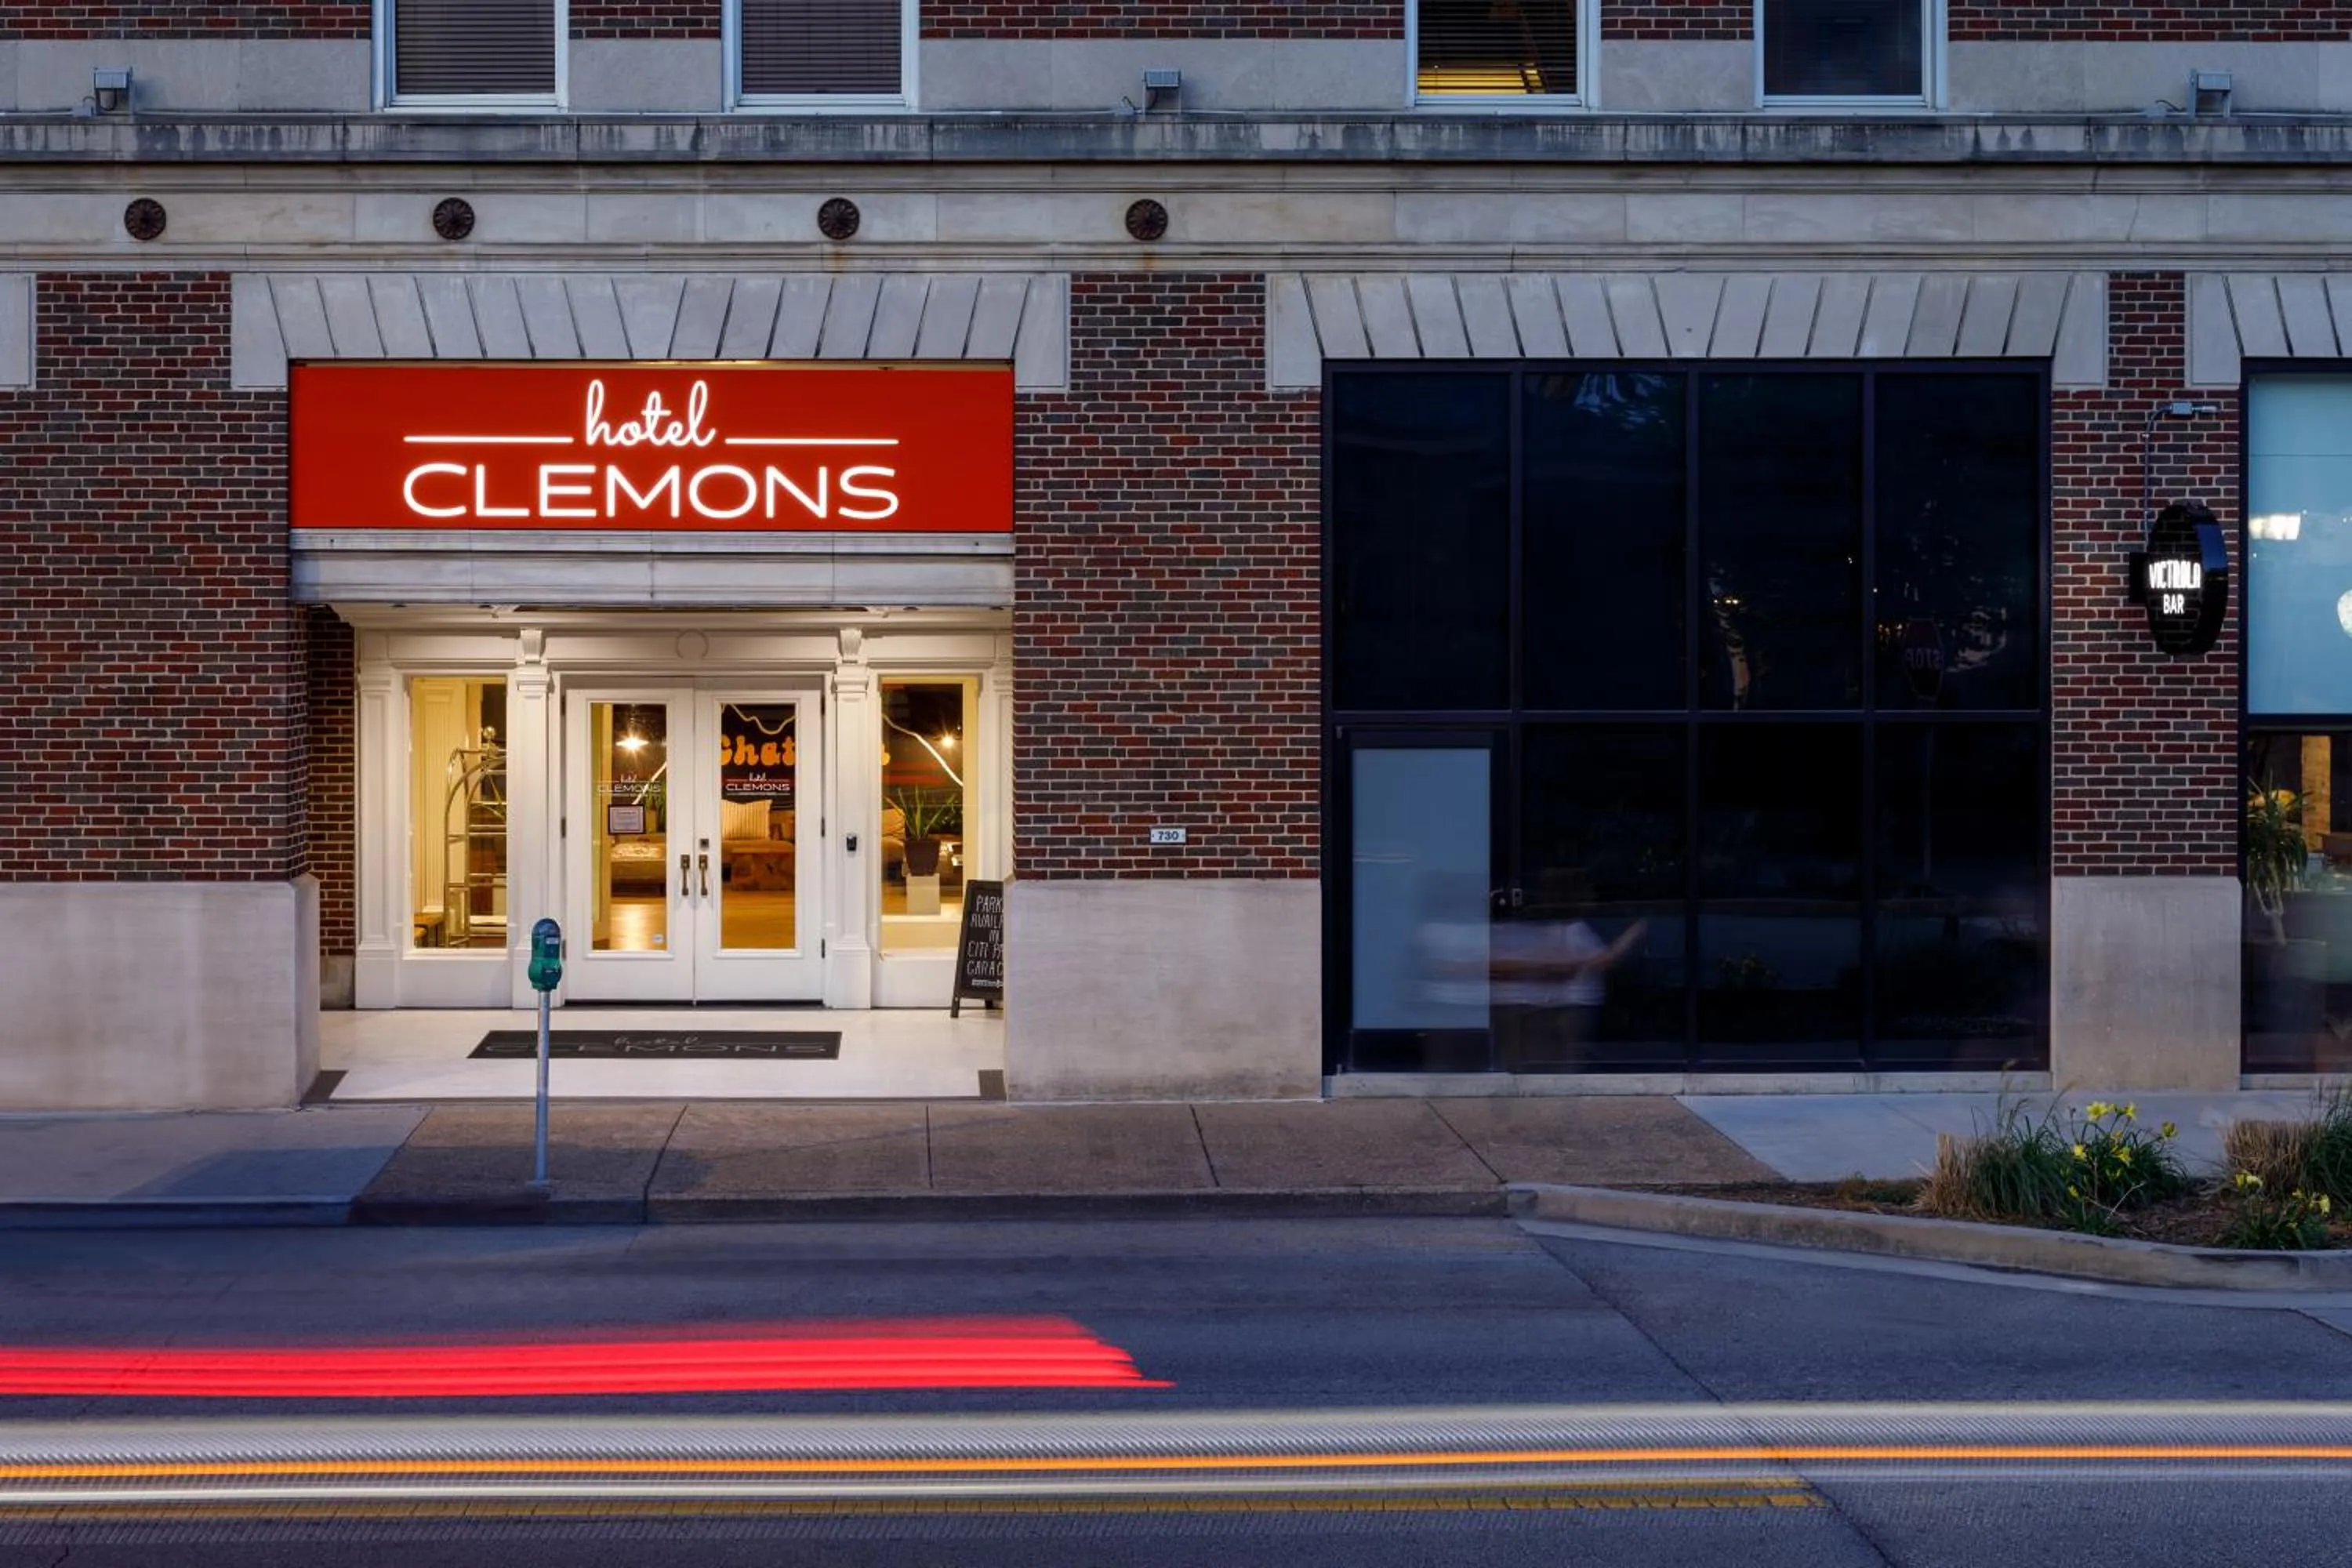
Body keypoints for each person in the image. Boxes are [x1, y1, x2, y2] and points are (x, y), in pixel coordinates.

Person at [1490, 877, 1646, 1071]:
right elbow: (1602, 961)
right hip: (1568, 1004)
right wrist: (1629, 938)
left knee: (1547, 1055)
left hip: (1549, 1004)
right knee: (1561, 1057)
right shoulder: (1572, 931)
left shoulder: (1558, 930)